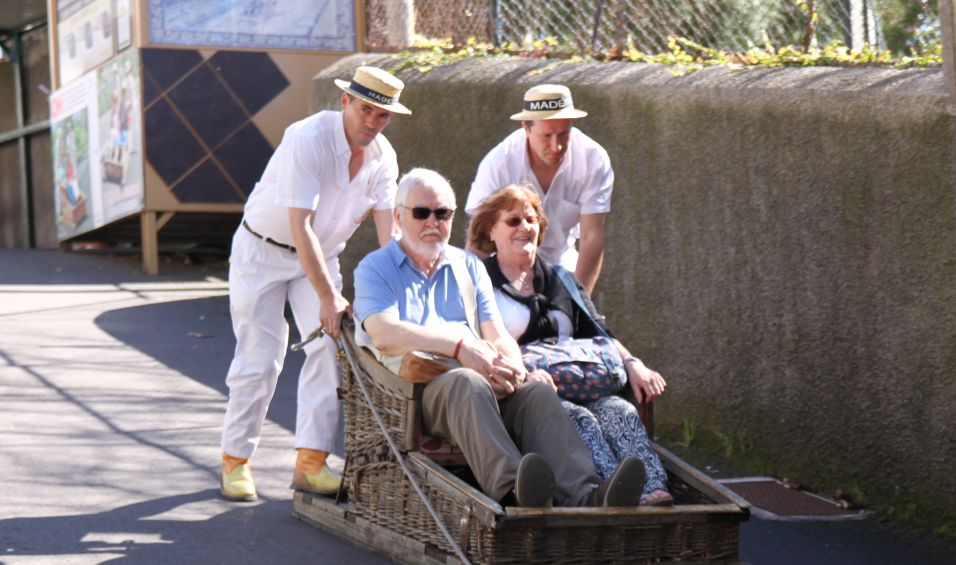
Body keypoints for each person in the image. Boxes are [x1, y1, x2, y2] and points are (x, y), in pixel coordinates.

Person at [353, 168, 646, 508]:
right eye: (422, 213)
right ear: (398, 216)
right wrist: (461, 348)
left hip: (481, 377)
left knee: (536, 393)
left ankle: (586, 495)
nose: (433, 222)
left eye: (443, 213)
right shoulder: (376, 268)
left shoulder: (469, 267)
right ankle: (516, 490)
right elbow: (383, 333)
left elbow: (498, 335)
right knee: (465, 382)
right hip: (422, 390)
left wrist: (513, 366)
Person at [219, 66, 411, 502]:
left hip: (321, 256)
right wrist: (329, 297)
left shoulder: (383, 157)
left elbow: (391, 239)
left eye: (383, 116)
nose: (373, 123)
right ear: (345, 102)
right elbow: (299, 225)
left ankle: (311, 462)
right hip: (263, 252)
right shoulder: (307, 138)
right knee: (261, 359)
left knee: (329, 347)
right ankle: (235, 460)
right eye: (366, 110)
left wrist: (400, 301)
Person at [468, 184, 674, 506]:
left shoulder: (561, 279)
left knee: (619, 410)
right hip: (523, 394)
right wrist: (521, 375)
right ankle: (608, 494)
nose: (525, 228)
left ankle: (653, 491)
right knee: (580, 420)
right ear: (490, 231)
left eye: (531, 220)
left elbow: (600, 332)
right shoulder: (480, 282)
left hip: (581, 383)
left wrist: (634, 364)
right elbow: (475, 344)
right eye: (513, 221)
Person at [465, 84, 613, 294]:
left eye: (564, 134)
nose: (556, 146)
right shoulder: (499, 162)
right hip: (504, 271)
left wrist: (580, 305)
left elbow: (592, 238)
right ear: (526, 129)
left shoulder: (594, 159)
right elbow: (478, 241)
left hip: (562, 267)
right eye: (546, 136)